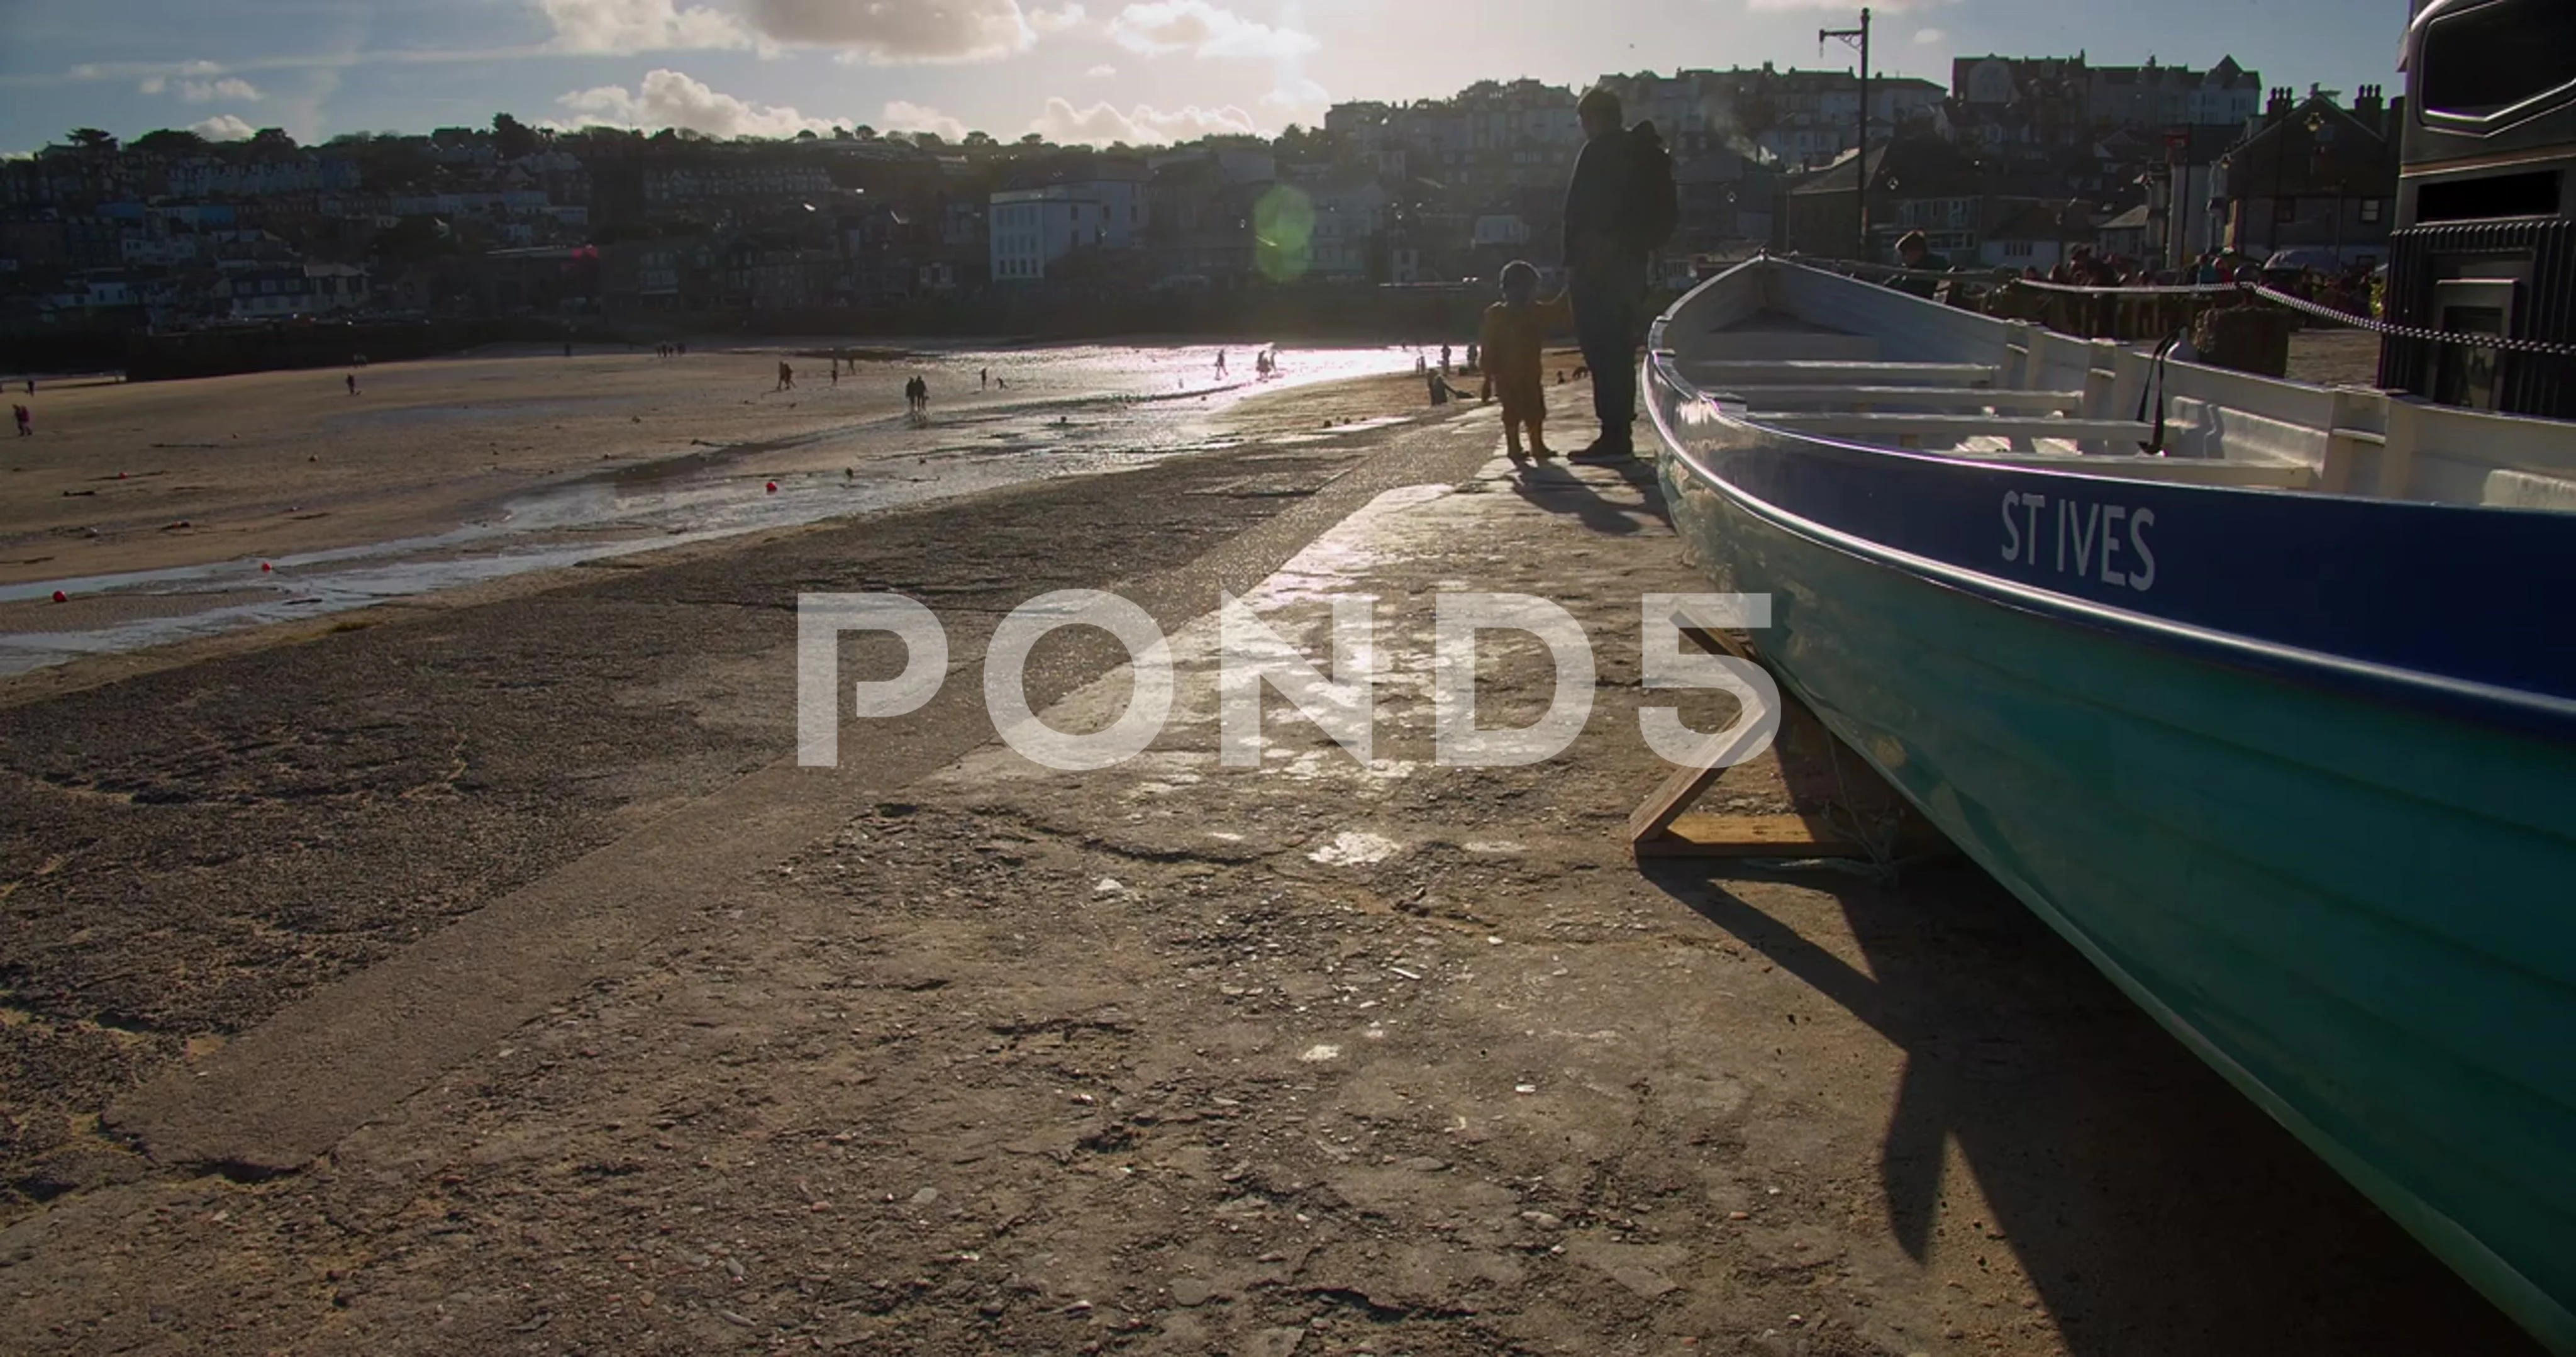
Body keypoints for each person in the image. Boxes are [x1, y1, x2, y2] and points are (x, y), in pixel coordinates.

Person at [1562, 86, 1676, 460]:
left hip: (1601, 266)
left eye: (1583, 120)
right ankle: (1618, 432)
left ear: (1593, 118)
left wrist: (1583, 262)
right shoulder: (1639, 152)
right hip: (1631, 264)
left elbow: (1589, 211)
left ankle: (1614, 435)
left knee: (1602, 348)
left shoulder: (1601, 152)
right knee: (1619, 348)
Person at [1478, 260, 1574, 461]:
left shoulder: (1503, 313)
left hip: (1520, 374)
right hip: (1512, 374)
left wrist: (1487, 379)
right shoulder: (1510, 313)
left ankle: (1529, 445)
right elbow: (1488, 348)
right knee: (1519, 411)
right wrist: (1487, 380)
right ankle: (1523, 446)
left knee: (1531, 410)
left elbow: (1487, 349)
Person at [1891, 230, 1950, 300]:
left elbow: (1904, 291)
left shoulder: (1923, 273)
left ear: (1917, 251)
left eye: (1904, 252)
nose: (1902, 258)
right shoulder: (1914, 271)